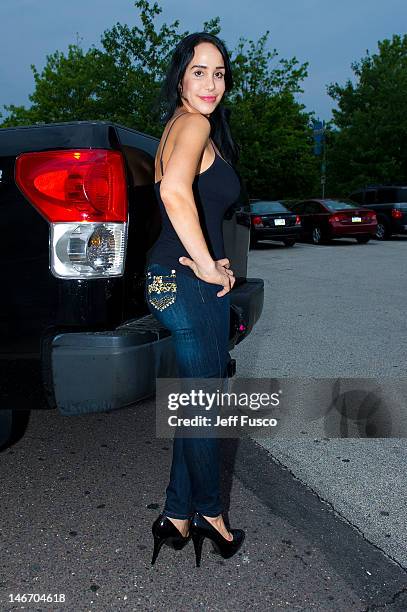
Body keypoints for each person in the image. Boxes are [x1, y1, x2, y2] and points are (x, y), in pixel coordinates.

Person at [145, 32, 245, 567]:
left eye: (220, 73)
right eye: (200, 71)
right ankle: (211, 516)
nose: (211, 84)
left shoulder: (177, 128)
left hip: (164, 279)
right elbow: (173, 194)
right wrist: (207, 266)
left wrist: (212, 258)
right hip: (183, 282)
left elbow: (190, 209)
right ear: (181, 77)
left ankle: (176, 515)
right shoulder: (195, 123)